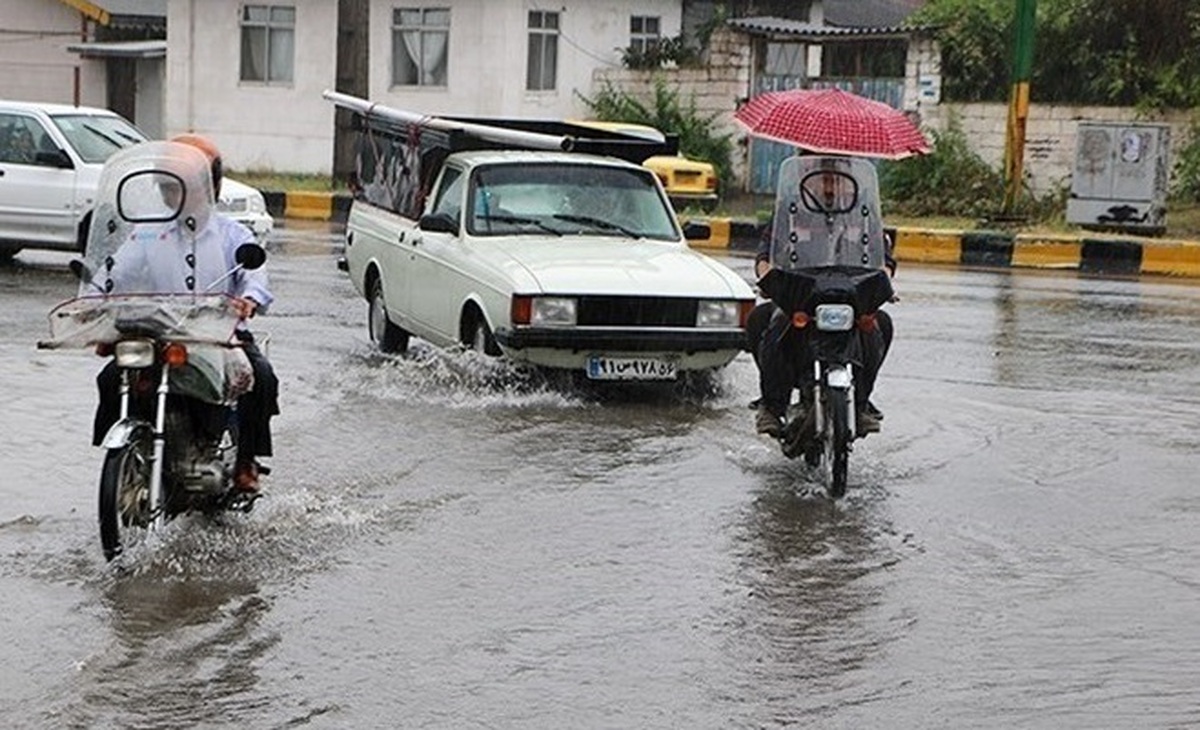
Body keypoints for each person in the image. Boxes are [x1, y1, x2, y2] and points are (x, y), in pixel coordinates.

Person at [91, 134, 279, 493]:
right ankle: (123, 458)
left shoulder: (232, 234)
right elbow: (116, 270)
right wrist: (95, 295)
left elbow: (255, 277)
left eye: (179, 187)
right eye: (166, 187)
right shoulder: (147, 234)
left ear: (208, 187)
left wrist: (249, 299)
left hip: (219, 335)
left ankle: (246, 462)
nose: (170, 195)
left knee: (263, 377)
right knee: (110, 377)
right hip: (161, 333)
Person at [748, 202, 895, 439]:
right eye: (823, 168)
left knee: (880, 324)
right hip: (801, 291)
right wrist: (767, 278)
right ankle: (772, 406)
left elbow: (884, 259)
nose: (828, 179)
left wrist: (883, 284)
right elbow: (766, 253)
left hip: (850, 294)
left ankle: (860, 404)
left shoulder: (864, 210)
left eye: (835, 166)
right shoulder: (791, 209)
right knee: (765, 320)